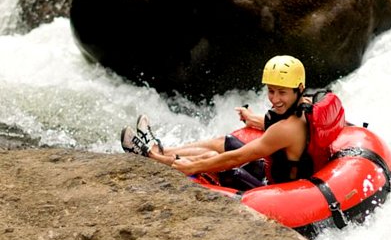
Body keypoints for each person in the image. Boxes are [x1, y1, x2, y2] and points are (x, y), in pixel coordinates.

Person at [120, 55, 315, 187]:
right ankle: (160, 148)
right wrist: (254, 119)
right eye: (271, 91)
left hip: (275, 187)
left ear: (299, 88)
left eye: (282, 92)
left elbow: (236, 158)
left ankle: (152, 158)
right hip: (273, 169)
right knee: (223, 142)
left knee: (211, 157)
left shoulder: (286, 129)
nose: (274, 99)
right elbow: (279, 126)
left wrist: (193, 167)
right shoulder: (305, 104)